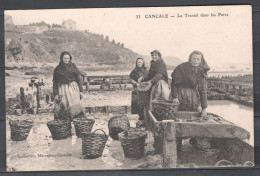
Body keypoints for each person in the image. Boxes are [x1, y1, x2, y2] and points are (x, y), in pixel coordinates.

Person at [171, 50, 210, 151]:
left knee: (194, 116)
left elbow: (203, 90)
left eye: (198, 59)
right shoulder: (181, 68)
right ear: (190, 58)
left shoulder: (201, 71)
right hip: (180, 94)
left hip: (193, 96)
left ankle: (194, 139)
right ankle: (177, 141)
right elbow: (174, 84)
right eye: (194, 59)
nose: (196, 61)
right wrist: (175, 97)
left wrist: (204, 107)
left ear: (201, 60)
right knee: (178, 117)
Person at [53, 51, 84, 121]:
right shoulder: (58, 69)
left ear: (70, 58)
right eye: (65, 58)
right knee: (64, 106)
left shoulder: (73, 66)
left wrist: (81, 91)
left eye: (68, 58)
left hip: (73, 88)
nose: (66, 60)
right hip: (62, 89)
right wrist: (56, 94)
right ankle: (65, 123)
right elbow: (55, 82)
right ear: (61, 58)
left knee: (74, 105)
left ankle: (76, 122)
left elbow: (78, 79)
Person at [129, 58, 149, 123]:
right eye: (138, 62)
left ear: (143, 63)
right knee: (138, 105)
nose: (139, 63)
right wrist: (135, 83)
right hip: (137, 90)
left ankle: (145, 119)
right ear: (136, 63)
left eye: (140, 62)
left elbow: (149, 79)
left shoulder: (146, 71)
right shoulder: (134, 71)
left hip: (145, 90)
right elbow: (130, 79)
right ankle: (140, 119)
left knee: (145, 105)